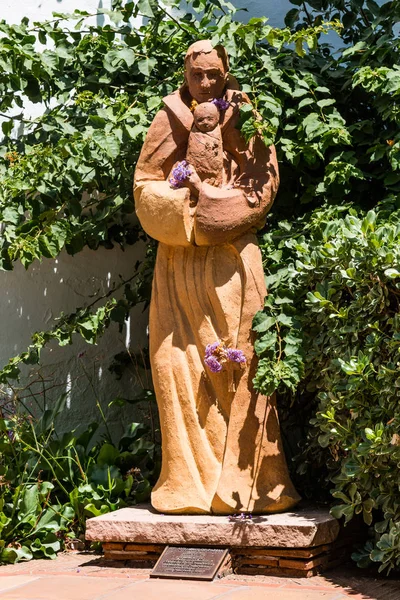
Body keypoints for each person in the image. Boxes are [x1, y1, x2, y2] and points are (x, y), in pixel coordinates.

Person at [134, 40, 300, 515]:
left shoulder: (244, 113)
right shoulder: (168, 117)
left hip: (231, 257)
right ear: (185, 76)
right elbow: (145, 184)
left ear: (226, 72)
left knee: (241, 357)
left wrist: (213, 207)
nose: (205, 83)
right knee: (176, 365)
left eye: (213, 74)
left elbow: (262, 185)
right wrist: (187, 210)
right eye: (196, 75)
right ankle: (186, 484)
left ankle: (251, 485)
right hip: (178, 260)